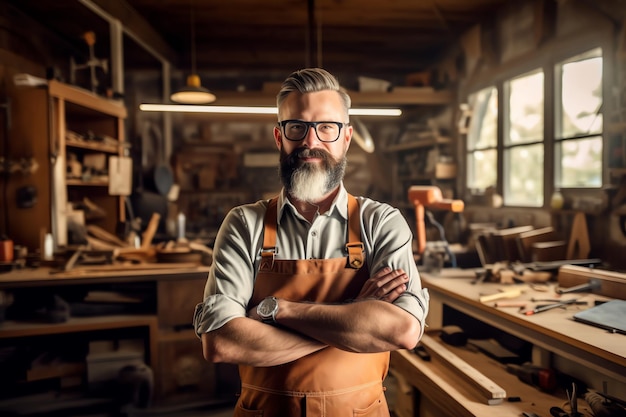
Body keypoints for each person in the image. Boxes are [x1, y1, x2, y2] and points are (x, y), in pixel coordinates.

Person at [193, 67, 429, 416]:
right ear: (279, 136)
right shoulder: (245, 224)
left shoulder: (380, 223)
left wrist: (277, 311)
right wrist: (352, 317)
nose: (310, 141)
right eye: (297, 127)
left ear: (346, 137)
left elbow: (403, 331)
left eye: (326, 127)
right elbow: (221, 342)